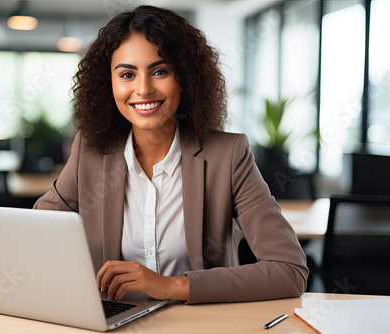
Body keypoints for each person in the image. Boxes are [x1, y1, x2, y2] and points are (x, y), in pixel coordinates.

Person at [34, 5, 308, 304]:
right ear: (108, 84)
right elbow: (36, 235)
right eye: (127, 74)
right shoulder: (91, 151)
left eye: (160, 71)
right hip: (111, 322)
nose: (143, 89)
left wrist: (172, 286)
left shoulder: (227, 156)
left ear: (186, 77)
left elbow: (289, 271)